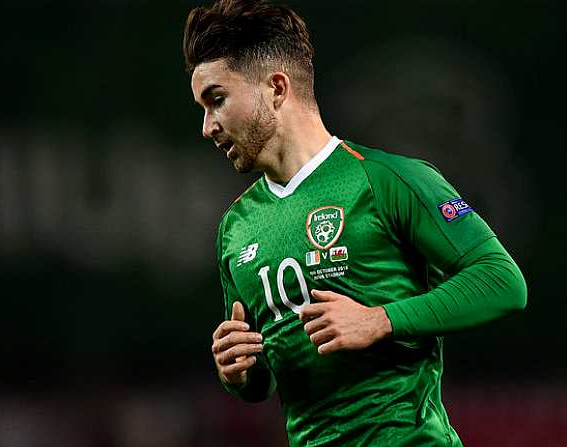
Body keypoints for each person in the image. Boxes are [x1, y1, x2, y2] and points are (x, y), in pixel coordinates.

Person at [183, 0, 527, 445]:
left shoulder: (387, 179)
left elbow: (502, 280)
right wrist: (239, 371)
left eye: (217, 100)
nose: (208, 126)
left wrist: (380, 319)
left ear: (276, 88)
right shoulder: (236, 228)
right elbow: (264, 379)